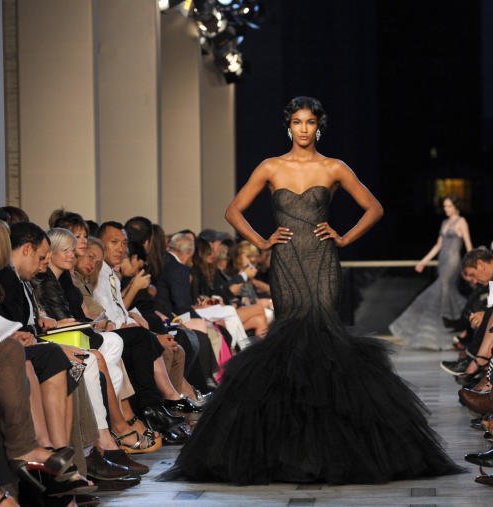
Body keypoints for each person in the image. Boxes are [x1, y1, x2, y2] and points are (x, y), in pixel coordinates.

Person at [162, 96, 463, 484]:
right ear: (288, 125)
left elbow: (374, 207)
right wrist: (262, 241)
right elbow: (233, 210)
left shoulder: (334, 167)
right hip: (286, 264)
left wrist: (344, 237)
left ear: (319, 126)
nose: (303, 129)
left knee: (324, 341)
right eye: (297, 122)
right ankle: (286, 446)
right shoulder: (271, 167)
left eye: (310, 122)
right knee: (290, 344)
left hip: (323, 263)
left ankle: (330, 447)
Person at [389, 194, 472, 350]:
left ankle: (457, 327)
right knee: (445, 293)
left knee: (443, 290)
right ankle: (454, 331)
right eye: (445, 206)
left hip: (453, 262)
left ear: (456, 206)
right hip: (442, 261)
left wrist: (471, 264)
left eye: (449, 206)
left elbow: (468, 245)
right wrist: (424, 261)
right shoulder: (445, 222)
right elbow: (438, 246)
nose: (446, 209)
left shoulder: (461, 222)